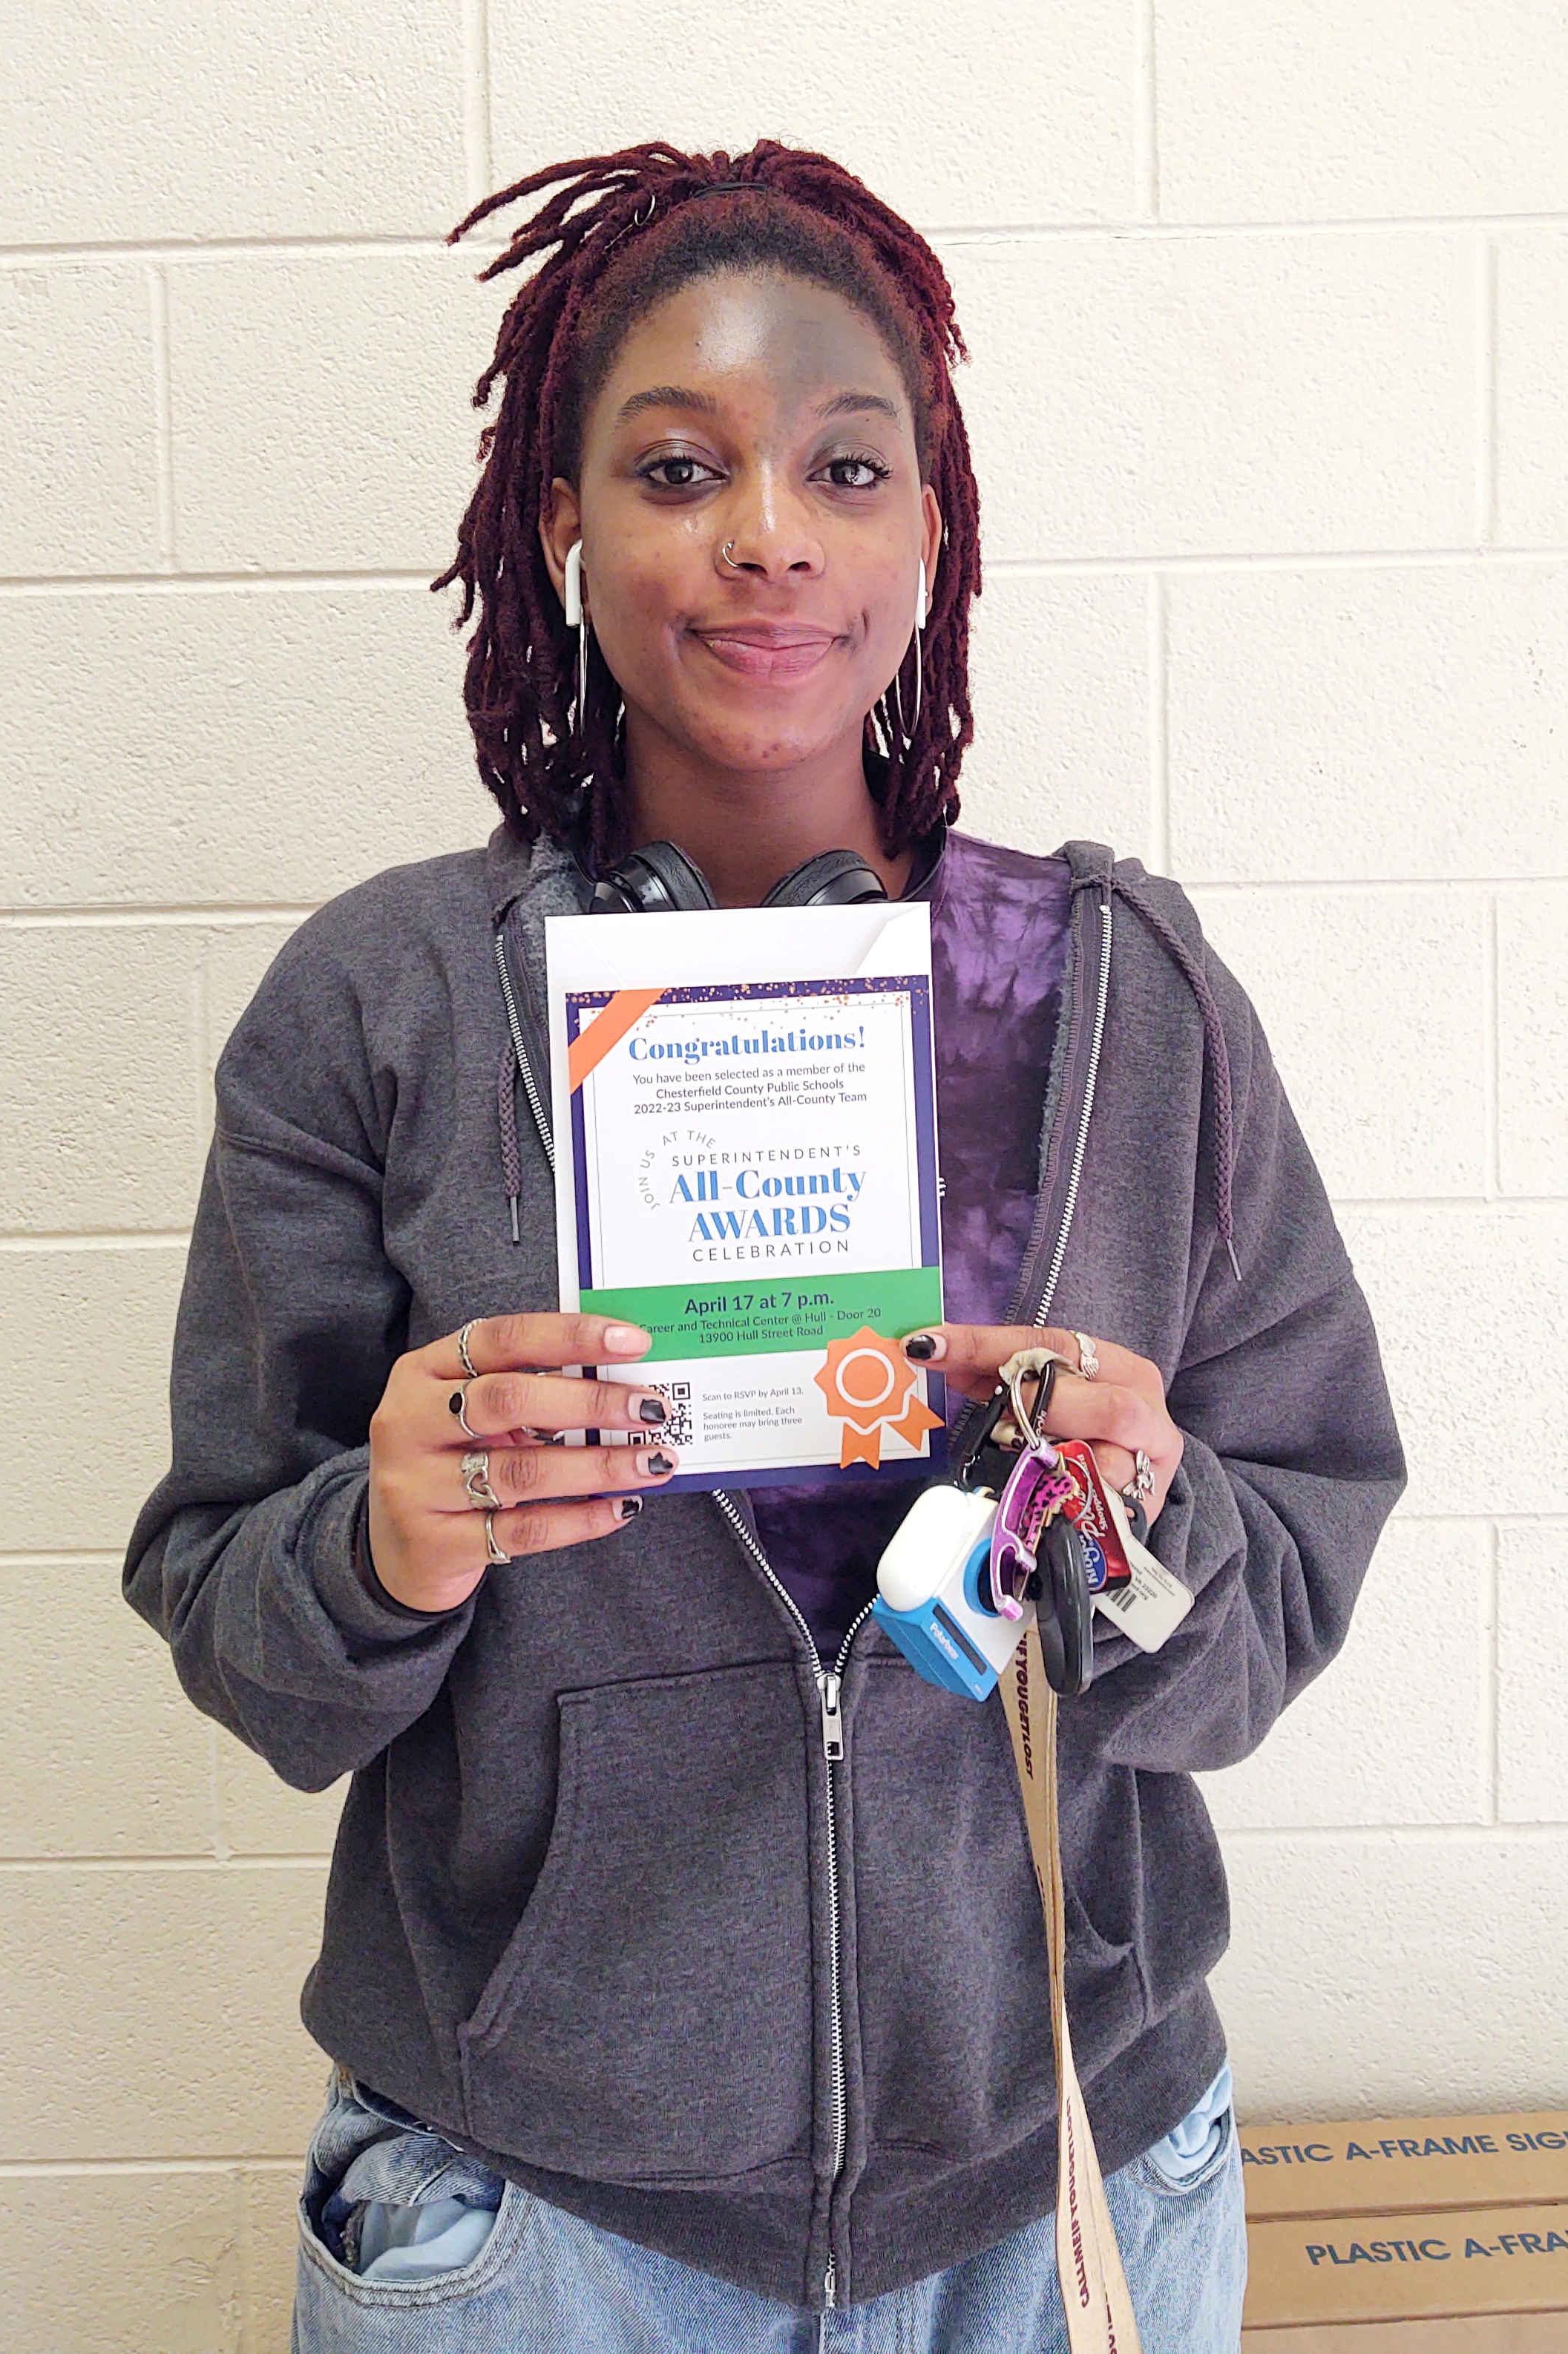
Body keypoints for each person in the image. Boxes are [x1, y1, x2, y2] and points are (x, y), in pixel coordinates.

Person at [124, 140, 1405, 2354]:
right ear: (562, 525)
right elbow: (242, 1629)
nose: (765, 532)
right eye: (674, 465)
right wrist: (388, 1542)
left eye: (842, 462)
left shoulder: (1116, 995)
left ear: (933, 523)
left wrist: (1140, 1517)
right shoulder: (383, 1004)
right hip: (536, 2235)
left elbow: (1272, 1592)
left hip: (1061, 2198)